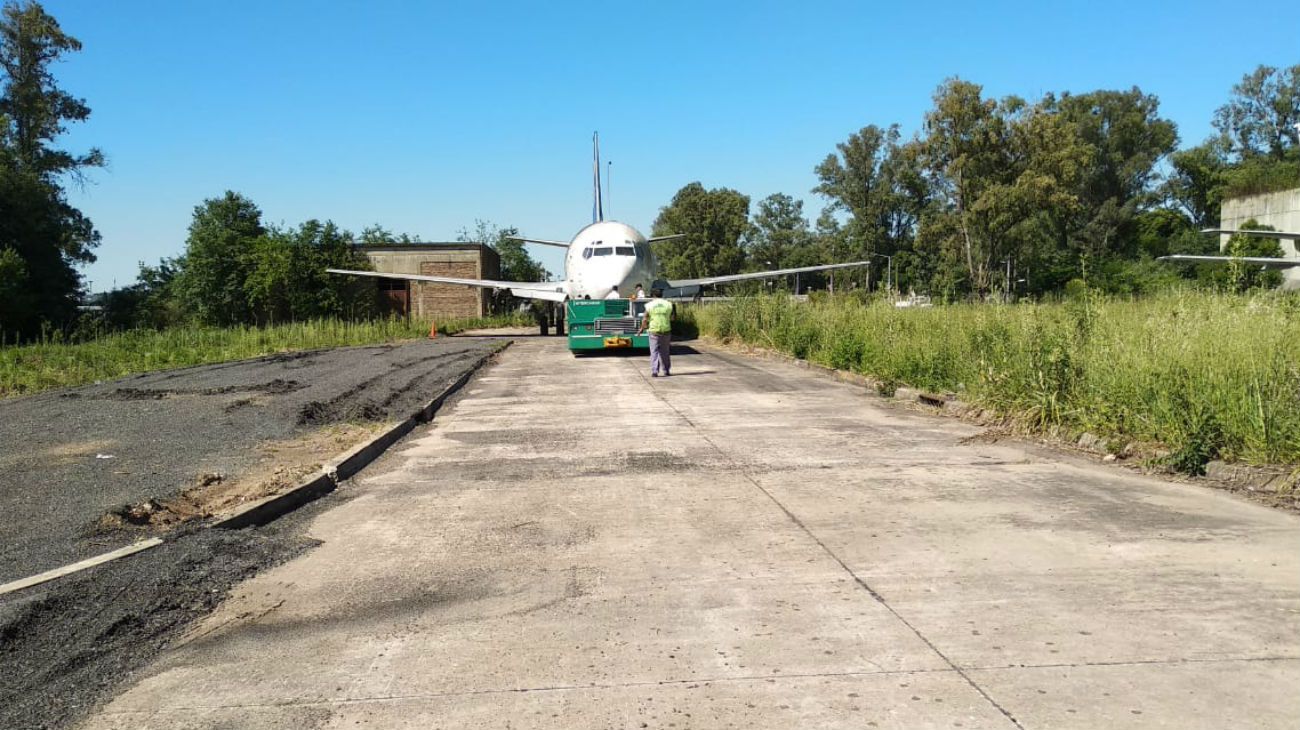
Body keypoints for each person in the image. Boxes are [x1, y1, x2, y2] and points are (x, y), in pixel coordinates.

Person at [637, 288, 674, 377]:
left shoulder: (649, 305)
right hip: (666, 330)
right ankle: (666, 370)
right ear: (662, 294)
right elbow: (673, 318)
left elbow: (645, 318)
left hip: (654, 330)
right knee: (665, 351)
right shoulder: (669, 304)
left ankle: (655, 371)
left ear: (653, 295)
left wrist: (642, 328)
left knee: (654, 351)